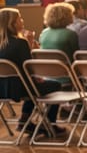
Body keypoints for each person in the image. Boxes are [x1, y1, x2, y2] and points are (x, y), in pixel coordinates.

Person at [0, 8, 66, 137]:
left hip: (2, 88)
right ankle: (49, 124)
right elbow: (29, 67)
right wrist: (29, 44)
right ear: (12, 23)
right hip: (19, 88)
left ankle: (25, 120)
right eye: (19, 18)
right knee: (55, 85)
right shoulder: (20, 42)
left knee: (33, 87)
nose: (22, 20)